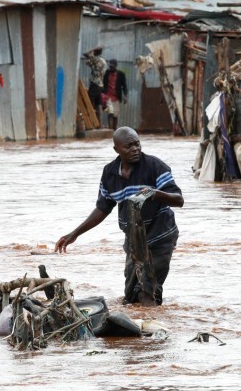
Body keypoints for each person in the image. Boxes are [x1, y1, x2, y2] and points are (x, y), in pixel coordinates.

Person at [55, 127, 183, 306]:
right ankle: (136, 326)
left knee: (148, 291)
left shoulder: (155, 166)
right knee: (130, 298)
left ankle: (152, 329)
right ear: (117, 150)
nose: (135, 149)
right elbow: (102, 208)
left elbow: (179, 199)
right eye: (128, 146)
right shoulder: (110, 173)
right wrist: (75, 233)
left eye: (137, 144)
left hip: (160, 236)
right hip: (134, 241)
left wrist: (156, 194)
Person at [83, 46, 108, 125]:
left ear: (95, 52)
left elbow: (85, 54)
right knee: (98, 104)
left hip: (95, 84)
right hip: (100, 84)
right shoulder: (102, 61)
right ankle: (99, 123)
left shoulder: (96, 59)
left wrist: (92, 49)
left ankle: (89, 122)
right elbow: (90, 64)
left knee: (89, 101)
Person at [102, 59, 128, 130]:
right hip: (108, 96)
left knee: (115, 115)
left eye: (112, 67)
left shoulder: (121, 74)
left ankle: (114, 129)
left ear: (116, 66)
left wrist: (125, 96)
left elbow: (124, 86)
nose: (111, 68)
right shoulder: (106, 73)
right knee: (110, 113)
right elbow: (103, 84)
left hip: (116, 97)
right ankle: (110, 130)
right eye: (110, 66)